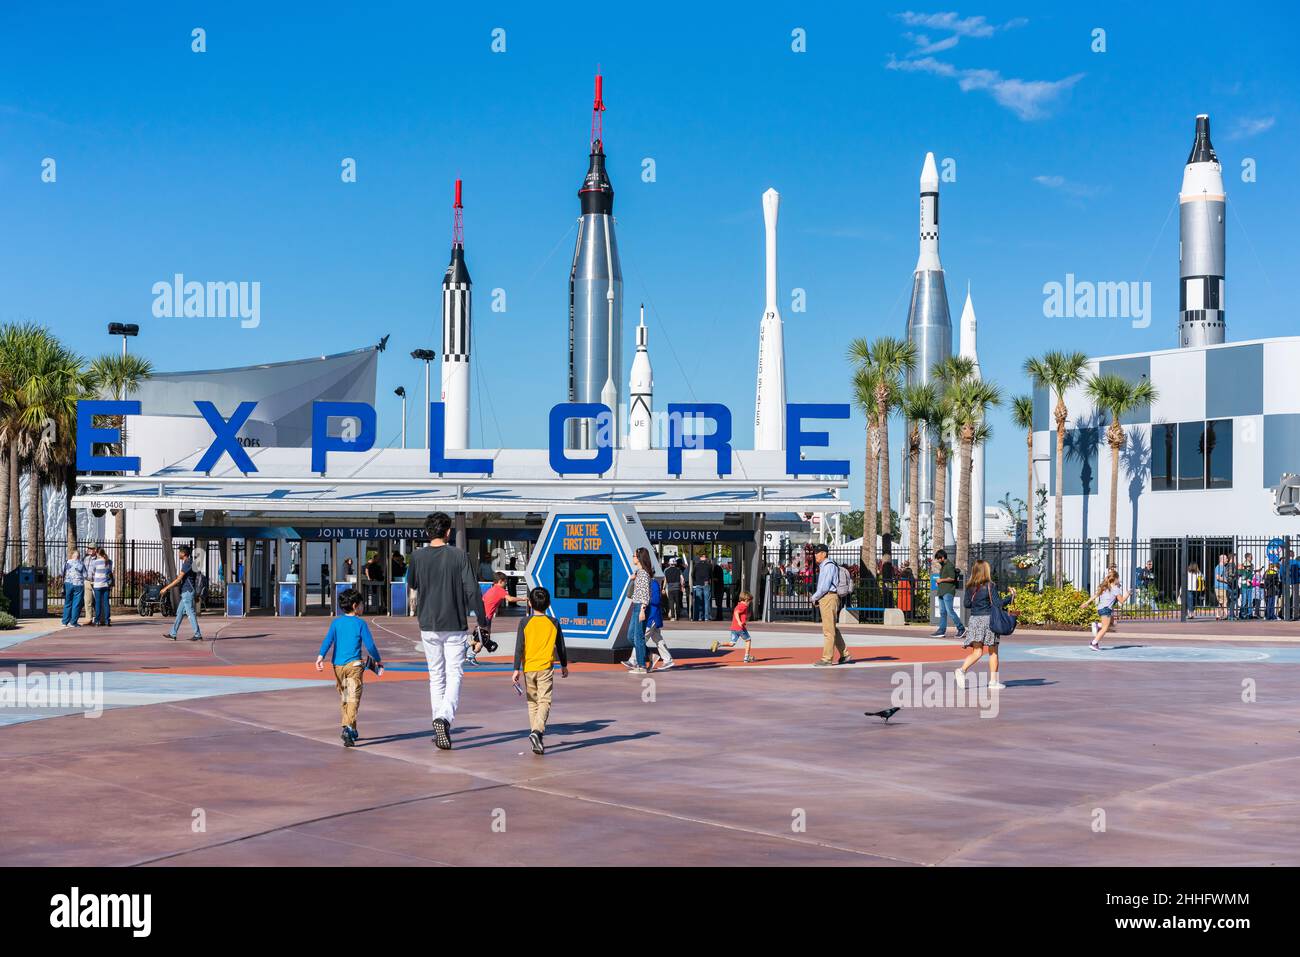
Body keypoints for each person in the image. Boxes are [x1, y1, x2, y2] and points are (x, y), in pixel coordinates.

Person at [407, 511, 487, 750]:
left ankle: (438, 722)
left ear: (426, 532)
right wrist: (482, 621)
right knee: (455, 673)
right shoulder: (459, 556)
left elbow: (412, 584)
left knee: (436, 675)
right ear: (449, 532)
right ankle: (444, 718)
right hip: (454, 622)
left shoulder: (417, 557)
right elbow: (472, 591)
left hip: (428, 623)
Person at [315, 587, 382, 747]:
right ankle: (348, 728)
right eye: (361, 604)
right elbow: (370, 645)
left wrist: (320, 656)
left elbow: (328, 640)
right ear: (354, 606)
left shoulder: (336, 622)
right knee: (353, 698)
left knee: (345, 696)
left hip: (337, 666)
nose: (363, 607)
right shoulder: (360, 623)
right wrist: (378, 660)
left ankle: (351, 727)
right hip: (354, 665)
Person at [511, 586, 569, 755]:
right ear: (549, 603)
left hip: (528, 667)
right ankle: (537, 732)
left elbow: (519, 647)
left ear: (529, 602)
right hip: (545, 667)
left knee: (532, 703)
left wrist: (516, 668)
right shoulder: (554, 622)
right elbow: (561, 646)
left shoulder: (524, 622)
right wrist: (564, 664)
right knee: (545, 701)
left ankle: (535, 736)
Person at [954, 560, 1011, 691]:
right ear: (986, 571)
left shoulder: (970, 587)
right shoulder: (990, 585)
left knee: (977, 651)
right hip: (988, 621)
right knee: (993, 651)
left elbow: (967, 604)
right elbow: (997, 603)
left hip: (974, 620)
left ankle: (961, 670)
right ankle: (993, 681)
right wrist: (1011, 597)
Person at [811, 543, 852, 667]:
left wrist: (814, 597)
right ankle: (845, 654)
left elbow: (824, 586)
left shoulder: (828, 566)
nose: (815, 555)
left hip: (828, 597)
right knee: (832, 628)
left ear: (824, 553)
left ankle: (827, 658)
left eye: (817, 553)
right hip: (829, 597)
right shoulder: (828, 565)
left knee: (828, 630)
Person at [470, 571, 523, 665]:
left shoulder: (491, 589)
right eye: (505, 582)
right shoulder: (500, 590)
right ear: (500, 581)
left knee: (482, 638)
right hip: (486, 618)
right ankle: (471, 655)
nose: (506, 584)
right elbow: (510, 599)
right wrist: (524, 599)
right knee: (484, 639)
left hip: (484, 617)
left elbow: (484, 601)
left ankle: (468, 651)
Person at [161, 544, 203, 641]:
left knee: (190, 613)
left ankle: (198, 634)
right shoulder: (190, 562)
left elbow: (178, 579)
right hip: (187, 591)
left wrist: (166, 588)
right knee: (179, 612)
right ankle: (173, 633)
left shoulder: (187, 563)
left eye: (179, 552)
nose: (178, 553)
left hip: (187, 592)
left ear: (183, 553)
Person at [1082, 569, 1129, 650]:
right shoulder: (1116, 589)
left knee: (1113, 623)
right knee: (1105, 629)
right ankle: (1094, 643)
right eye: (1118, 578)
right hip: (1106, 609)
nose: (1119, 580)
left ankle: (1097, 625)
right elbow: (1121, 601)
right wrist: (1128, 594)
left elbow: (1095, 595)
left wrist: (1086, 603)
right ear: (1115, 579)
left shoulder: (1105, 587)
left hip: (1100, 608)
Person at [626, 546, 654, 675]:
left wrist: (643, 609)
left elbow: (645, 594)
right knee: (631, 636)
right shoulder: (639, 573)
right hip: (636, 605)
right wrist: (632, 580)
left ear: (639, 558)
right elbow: (631, 594)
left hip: (640, 607)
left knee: (638, 637)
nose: (632, 557)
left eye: (634, 556)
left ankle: (641, 665)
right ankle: (649, 654)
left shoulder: (643, 574)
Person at [929, 549, 964, 640]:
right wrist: (940, 582)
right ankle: (941, 630)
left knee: (950, 611)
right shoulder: (943, 566)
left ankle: (961, 628)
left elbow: (952, 578)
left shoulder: (949, 566)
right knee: (942, 612)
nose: (937, 561)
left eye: (938, 559)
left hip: (948, 591)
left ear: (943, 558)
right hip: (941, 591)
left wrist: (941, 580)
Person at [710, 590, 754, 662]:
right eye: (749, 602)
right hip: (740, 628)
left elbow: (737, 612)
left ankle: (719, 644)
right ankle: (746, 657)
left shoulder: (738, 605)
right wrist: (739, 622)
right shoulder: (744, 606)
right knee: (748, 640)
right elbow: (736, 613)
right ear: (746, 600)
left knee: (732, 643)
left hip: (734, 628)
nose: (749, 603)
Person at [61, 548, 85, 627]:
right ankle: (73, 622)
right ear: (79, 556)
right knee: (76, 604)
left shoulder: (66, 563)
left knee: (68, 602)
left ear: (72, 556)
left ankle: (64, 621)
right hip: (78, 584)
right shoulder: (81, 564)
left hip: (68, 583)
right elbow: (85, 575)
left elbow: (62, 572)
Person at [90, 547, 114, 627]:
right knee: (106, 603)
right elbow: (110, 572)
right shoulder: (109, 562)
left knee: (98, 603)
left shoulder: (95, 562)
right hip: (106, 585)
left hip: (97, 585)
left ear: (97, 553)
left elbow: (92, 572)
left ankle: (97, 621)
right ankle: (107, 621)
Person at [691, 551, 713, 622]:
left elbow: (692, 575)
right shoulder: (709, 565)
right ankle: (706, 617)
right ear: (705, 558)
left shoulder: (696, 565)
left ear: (700, 558)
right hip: (706, 583)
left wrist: (696, 580)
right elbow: (711, 575)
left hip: (698, 584)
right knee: (706, 601)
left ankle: (699, 617)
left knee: (698, 601)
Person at [663, 556, 684, 621]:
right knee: (677, 602)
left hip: (670, 587)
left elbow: (665, 580)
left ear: (669, 563)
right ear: (675, 563)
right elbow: (682, 579)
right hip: (677, 587)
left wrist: (663, 588)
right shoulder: (678, 570)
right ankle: (677, 616)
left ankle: (672, 617)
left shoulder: (666, 570)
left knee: (671, 602)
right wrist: (682, 586)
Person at [1239, 554, 1258, 620]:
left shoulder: (1251, 567)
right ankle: (1242, 614)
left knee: (1250, 601)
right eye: (1250, 557)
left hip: (1250, 586)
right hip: (1244, 586)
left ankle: (1250, 614)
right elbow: (1240, 574)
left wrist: (1249, 579)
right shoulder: (1242, 567)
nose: (1251, 558)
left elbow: (1252, 575)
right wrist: (1245, 580)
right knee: (1244, 601)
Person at [1212, 553, 1230, 621]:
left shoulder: (1224, 567)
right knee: (1224, 601)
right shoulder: (1219, 567)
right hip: (1220, 587)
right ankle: (1227, 615)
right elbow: (1217, 577)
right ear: (1222, 559)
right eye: (1226, 558)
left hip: (1223, 587)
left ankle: (1218, 615)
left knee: (1221, 602)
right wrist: (1227, 581)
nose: (1227, 560)